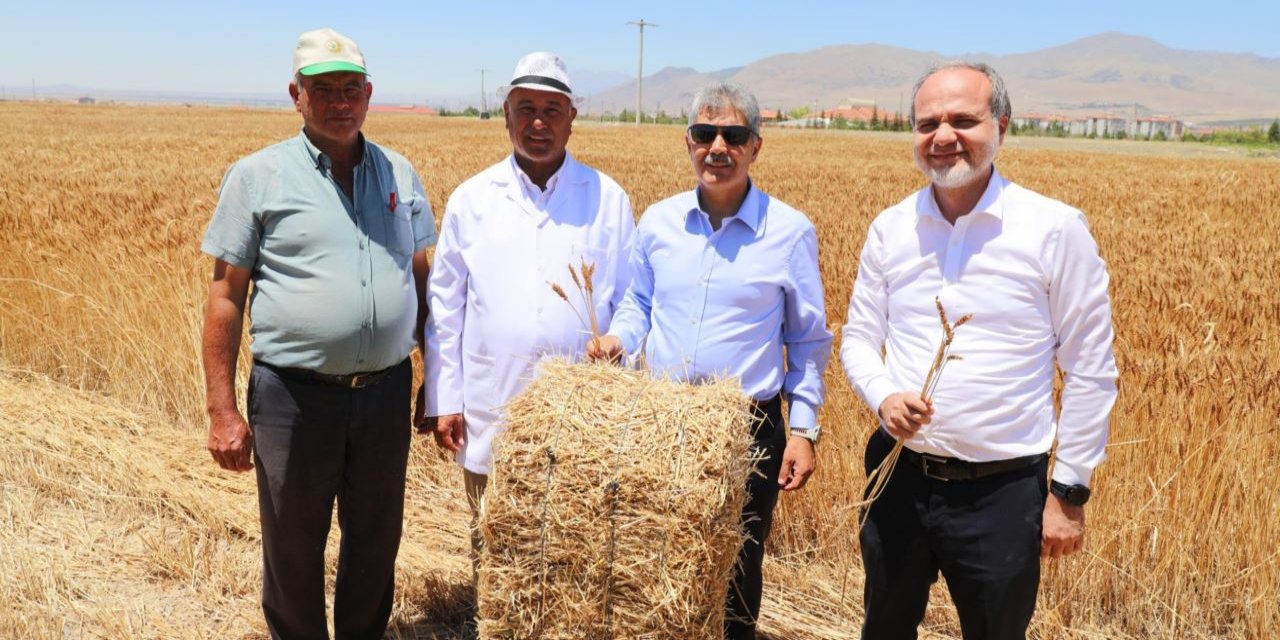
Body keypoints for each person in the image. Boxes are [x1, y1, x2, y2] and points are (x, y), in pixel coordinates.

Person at [841, 61, 1118, 639]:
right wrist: (883, 394)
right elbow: (860, 338)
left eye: (963, 120)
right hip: (897, 476)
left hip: (1002, 494)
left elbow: (1090, 369)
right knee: (884, 628)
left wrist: (1068, 492)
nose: (943, 137)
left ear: (1002, 126)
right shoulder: (891, 228)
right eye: (927, 123)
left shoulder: (1053, 229)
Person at [200, 28, 436, 639]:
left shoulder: (400, 173)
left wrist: (435, 381)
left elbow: (422, 280)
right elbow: (226, 296)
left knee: (377, 539)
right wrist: (222, 410)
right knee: (292, 545)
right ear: (295, 94)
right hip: (293, 398)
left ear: (368, 94)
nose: (339, 101)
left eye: (350, 88)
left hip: (384, 393)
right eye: (323, 88)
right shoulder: (257, 178)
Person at [590, 81, 833, 640]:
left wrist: (803, 430)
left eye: (733, 135)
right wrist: (618, 340)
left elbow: (809, 340)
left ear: (755, 147)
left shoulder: (790, 233)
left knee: (737, 569)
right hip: (664, 419)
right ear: (689, 142)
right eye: (705, 134)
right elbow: (638, 304)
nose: (717, 146)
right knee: (657, 556)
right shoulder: (659, 221)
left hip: (747, 429)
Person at [422, 51, 636, 583]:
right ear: (506, 115)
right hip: (492, 404)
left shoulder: (607, 198)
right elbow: (445, 307)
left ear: (571, 118)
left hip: (584, 416)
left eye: (551, 110)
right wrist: (445, 399)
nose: (538, 123)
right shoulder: (472, 199)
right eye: (525, 109)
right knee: (496, 557)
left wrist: (619, 340)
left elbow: (634, 297)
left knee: (578, 559)